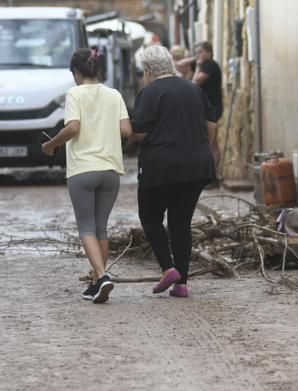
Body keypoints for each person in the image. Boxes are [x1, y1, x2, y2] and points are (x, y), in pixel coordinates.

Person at [42, 48, 132, 304]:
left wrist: (51, 145)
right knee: (101, 228)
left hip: (83, 169)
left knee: (87, 227)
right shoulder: (114, 95)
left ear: (77, 72)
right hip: (111, 170)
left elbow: (73, 127)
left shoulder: (75, 93)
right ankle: (96, 284)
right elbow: (126, 130)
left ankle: (103, 276)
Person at [130, 45, 216, 298]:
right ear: (169, 64)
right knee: (181, 222)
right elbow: (211, 125)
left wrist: (125, 129)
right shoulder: (193, 88)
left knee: (150, 216)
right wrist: (199, 147)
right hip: (197, 164)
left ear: (147, 69)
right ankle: (182, 284)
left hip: (160, 166)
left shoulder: (149, 92)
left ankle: (168, 268)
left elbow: (141, 131)